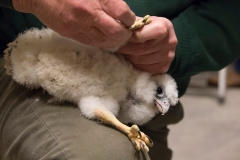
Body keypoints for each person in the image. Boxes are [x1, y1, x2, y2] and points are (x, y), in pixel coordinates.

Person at [0, 0, 240, 160]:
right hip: (25, 54)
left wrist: (181, 43)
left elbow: (229, 14)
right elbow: (95, 107)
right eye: (161, 95)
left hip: (147, 76)